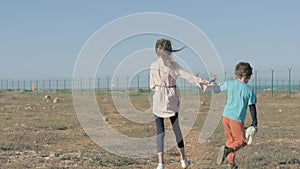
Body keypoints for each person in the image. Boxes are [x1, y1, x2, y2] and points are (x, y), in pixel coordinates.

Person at [150, 38, 213, 169]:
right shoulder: (174, 65)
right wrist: (204, 82)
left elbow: (152, 86)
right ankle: (183, 160)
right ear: (170, 51)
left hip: (158, 99)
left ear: (157, 51)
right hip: (172, 97)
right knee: (176, 129)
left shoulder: (153, 66)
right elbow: (189, 77)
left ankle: (160, 163)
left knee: (160, 132)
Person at [211, 62, 258, 169]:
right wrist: (254, 123)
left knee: (230, 141)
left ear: (236, 75)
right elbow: (252, 108)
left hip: (225, 117)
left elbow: (216, 90)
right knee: (241, 141)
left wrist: (213, 81)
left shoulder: (230, 84)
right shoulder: (249, 90)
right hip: (236, 119)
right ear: (249, 76)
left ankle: (231, 164)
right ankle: (227, 151)